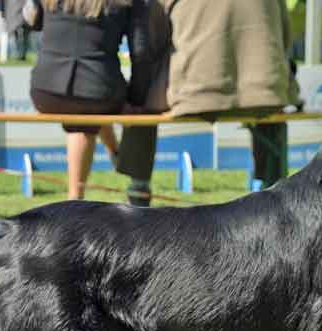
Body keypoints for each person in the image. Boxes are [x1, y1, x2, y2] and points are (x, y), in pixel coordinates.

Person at [117, 0, 298, 204]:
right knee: (271, 116)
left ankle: (138, 189)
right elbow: (286, 38)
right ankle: (271, 189)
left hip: (195, 93)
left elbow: (150, 44)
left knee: (142, 98)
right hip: (265, 93)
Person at [30, 0, 154, 200]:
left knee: (89, 110)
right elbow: (140, 53)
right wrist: (135, 100)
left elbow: (31, 21)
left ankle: (115, 152)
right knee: (86, 115)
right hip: (99, 91)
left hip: (45, 89)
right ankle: (74, 201)